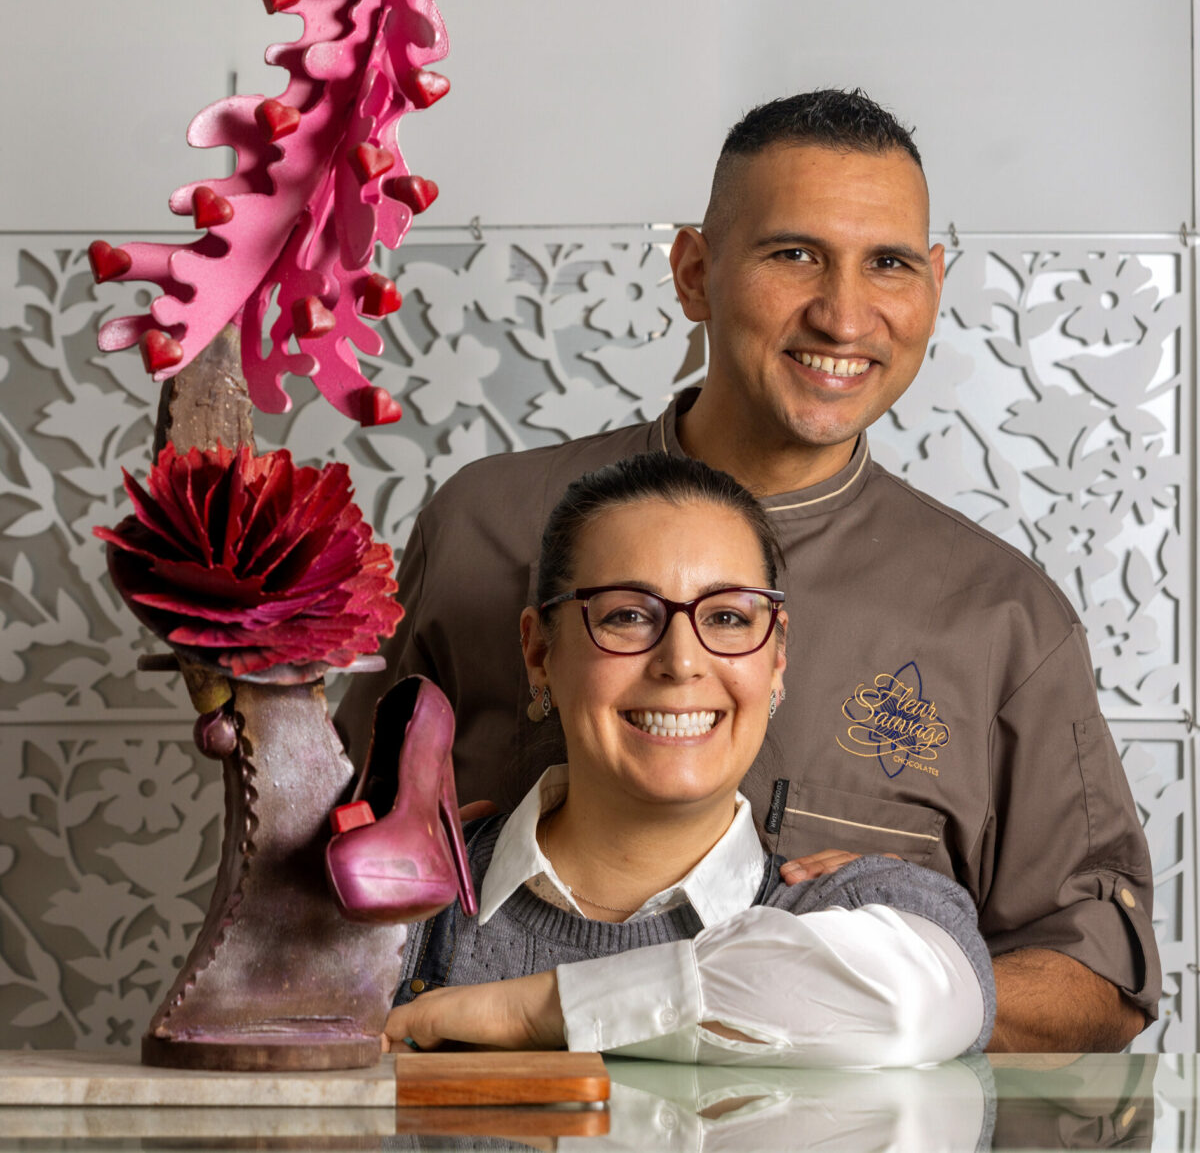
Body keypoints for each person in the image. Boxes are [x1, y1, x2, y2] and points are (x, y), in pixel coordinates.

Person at [340, 88, 1159, 1052]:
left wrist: (857, 978)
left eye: (889, 263)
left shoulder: (999, 618)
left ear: (934, 286)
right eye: (793, 254)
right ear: (694, 271)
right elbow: (326, 861)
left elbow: (1098, 985)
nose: (843, 314)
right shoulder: (486, 527)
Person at [382, 453, 993, 1065]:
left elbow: (917, 1009)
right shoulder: (396, 904)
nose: (681, 661)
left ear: (776, 661)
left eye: (727, 617)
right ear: (540, 651)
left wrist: (537, 1012)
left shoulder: (867, 907)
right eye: (626, 615)